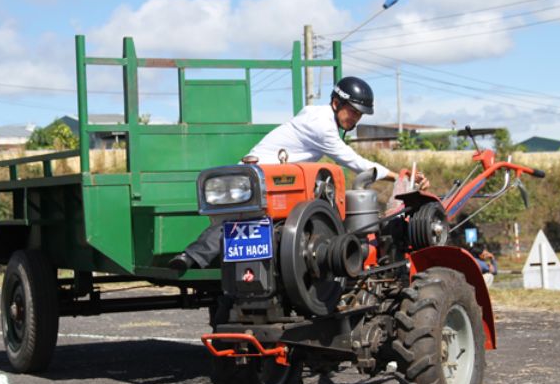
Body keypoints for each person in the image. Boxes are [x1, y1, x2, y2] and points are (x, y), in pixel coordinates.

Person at [169, 76, 428, 274]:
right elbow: (353, 161)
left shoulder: (318, 118)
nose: (355, 119)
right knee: (243, 227)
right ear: (336, 103)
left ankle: (195, 258)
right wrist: (397, 176)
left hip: (268, 181)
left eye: (360, 115)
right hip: (259, 181)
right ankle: (191, 257)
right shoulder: (321, 125)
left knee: (252, 228)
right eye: (353, 112)